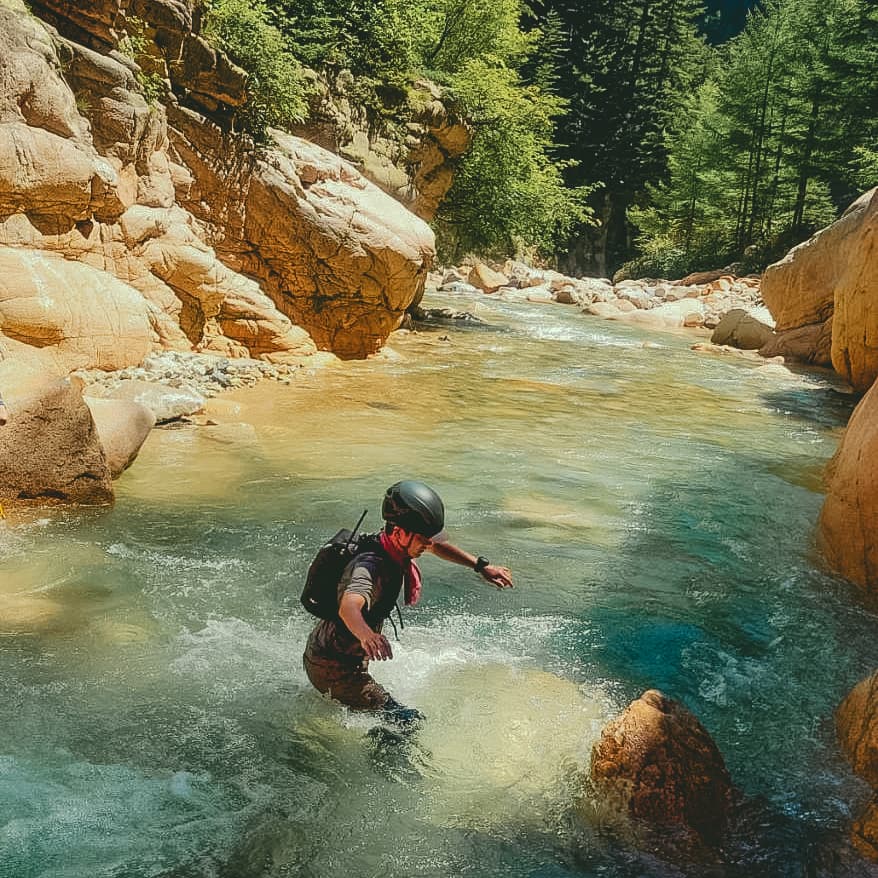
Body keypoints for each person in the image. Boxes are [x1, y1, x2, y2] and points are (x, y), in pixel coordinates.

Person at [303, 480, 513, 725]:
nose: (427, 544)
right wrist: (367, 636)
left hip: (330, 652)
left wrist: (480, 566)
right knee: (406, 723)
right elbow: (349, 605)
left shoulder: (391, 543)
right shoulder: (370, 566)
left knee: (390, 716)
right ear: (399, 532)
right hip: (334, 669)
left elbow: (437, 546)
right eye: (422, 539)